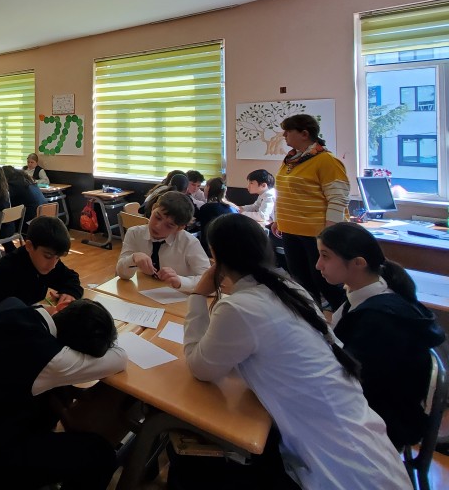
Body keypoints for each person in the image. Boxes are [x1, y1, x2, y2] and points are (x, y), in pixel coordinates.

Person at [184, 213, 411, 490]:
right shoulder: (290, 288)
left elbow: (200, 367)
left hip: (334, 468)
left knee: (194, 464)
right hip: (364, 442)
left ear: (215, 255)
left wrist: (198, 296)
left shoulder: (239, 307)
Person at [0, 297, 128, 490]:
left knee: (47, 401)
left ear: (63, 306)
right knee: (100, 456)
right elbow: (120, 358)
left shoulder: (15, 305)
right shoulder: (52, 358)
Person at [316, 222, 445, 448]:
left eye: (325, 256)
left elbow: (352, 378)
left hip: (383, 421)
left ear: (358, 263)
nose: (318, 265)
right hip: (375, 404)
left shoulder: (380, 320)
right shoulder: (367, 293)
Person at [271, 114, 349, 310]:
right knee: (301, 283)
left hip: (316, 233)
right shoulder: (291, 160)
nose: (284, 135)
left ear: (304, 134)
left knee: (325, 282)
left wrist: (329, 232)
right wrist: (278, 219)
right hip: (291, 230)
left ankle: (348, 320)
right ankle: (313, 320)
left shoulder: (326, 160)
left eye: (288, 131)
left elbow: (338, 198)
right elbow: (285, 192)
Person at [0, 215, 82, 329]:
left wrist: (70, 292)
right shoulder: (7, 272)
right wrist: (37, 314)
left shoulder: (45, 262)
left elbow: (71, 277)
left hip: (23, 323)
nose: (53, 265)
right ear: (29, 246)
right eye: (47, 256)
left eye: (58, 257)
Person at [116, 191, 208, 292]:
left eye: (169, 225)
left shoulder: (190, 243)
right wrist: (133, 258)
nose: (158, 226)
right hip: (145, 292)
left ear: (179, 228)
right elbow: (121, 273)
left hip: (178, 296)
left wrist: (180, 281)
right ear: (153, 208)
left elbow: (211, 283)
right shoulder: (134, 233)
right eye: (157, 217)